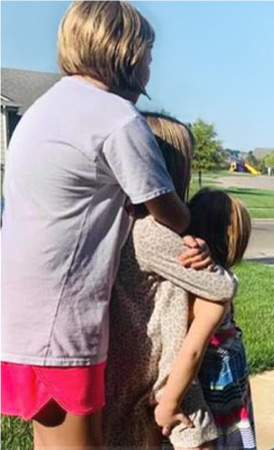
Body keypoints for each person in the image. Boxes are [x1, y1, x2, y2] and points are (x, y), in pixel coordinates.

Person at [0, 2, 209, 447]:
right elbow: (166, 208)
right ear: (126, 55)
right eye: (149, 58)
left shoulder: (42, 112)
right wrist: (192, 223)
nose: (150, 70)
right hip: (63, 322)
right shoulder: (114, 119)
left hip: (24, 313)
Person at [104, 113, 237, 449]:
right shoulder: (151, 231)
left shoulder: (125, 220)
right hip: (157, 375)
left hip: (128, 367)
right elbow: (222, 287)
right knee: (195, 435)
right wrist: (210, 260)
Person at [188, 188, 257, 450]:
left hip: (216, 376)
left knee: (219, 435)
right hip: (221, 373)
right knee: (230, 435)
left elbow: (193, 350)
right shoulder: (219, 281)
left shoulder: (207, 283)